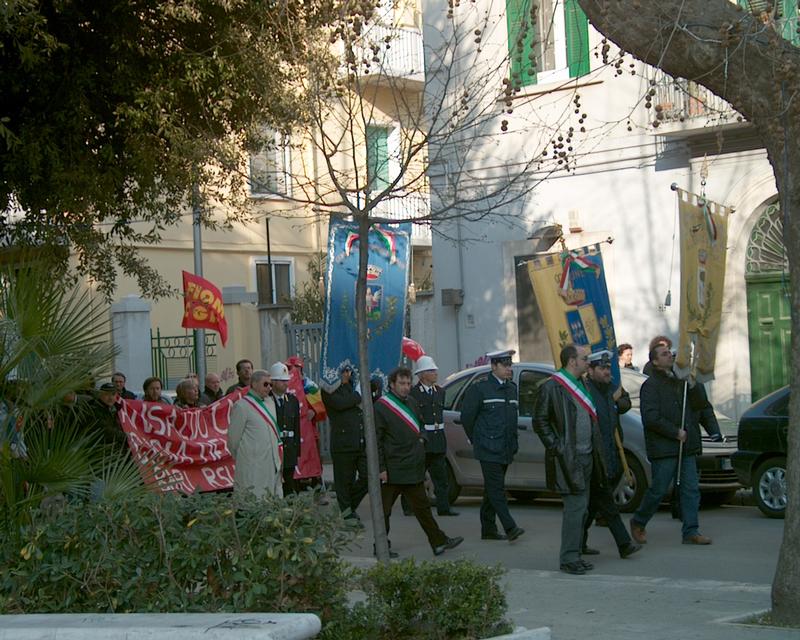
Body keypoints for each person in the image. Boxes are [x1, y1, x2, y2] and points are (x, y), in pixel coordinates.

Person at [629, 343, 721, 546]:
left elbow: (701, 406)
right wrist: (674, 432)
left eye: (670, 353)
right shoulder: (651, 386)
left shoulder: (683, 381)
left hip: (686, 446)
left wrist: (693, 381)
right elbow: (651, 418)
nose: (669, 356)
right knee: (659, 489)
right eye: (664, 354)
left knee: (690, 489)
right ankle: (639, 520)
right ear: (655, 361)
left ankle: (691, 530)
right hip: (664, 447)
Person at [375, 366, 464, 557]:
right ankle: (381, 546)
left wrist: (422, 439)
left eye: (408, 383)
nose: (406, 387)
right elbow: (377, 441)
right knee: (384, 511)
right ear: (392, 385)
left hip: (412, 467)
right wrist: (381, 468)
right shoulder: (382, 407)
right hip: (392, 469)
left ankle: (438, 542)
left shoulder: (413, 402)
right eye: (401, 384)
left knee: (423, 509)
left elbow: (422, 425)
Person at [533, 344, 601, 575]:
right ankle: (569, 558)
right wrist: (557, 446)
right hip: (569, 457)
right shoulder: (553, 387)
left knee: (582, 509)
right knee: (575, 508)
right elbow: (540, 421)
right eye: (585, 359)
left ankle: (575, 553)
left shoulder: (583, 383)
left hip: (586, 455)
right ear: (572, 361)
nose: (588, 362)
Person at [460, 349, 525, 542]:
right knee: (497, 489)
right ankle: (510, 527)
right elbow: (467, 417)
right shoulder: (480, 389)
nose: (509, 369)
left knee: (491, 489)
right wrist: (477, 438)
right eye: (505, 365)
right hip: (488, 448)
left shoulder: (511, 388)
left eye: (510, 365)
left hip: (505, 447)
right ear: (494, 366)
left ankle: (488, 529)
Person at [582, 351, 641, 559]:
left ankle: (578, 541)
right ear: (590, 370)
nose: (607, 372)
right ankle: (624, 544)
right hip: (594, 457)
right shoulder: (585, 391)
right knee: (607, 503)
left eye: (608, 368)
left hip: (609, 454)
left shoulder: (609, 389)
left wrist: (618, 401)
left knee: (591, 506)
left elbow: (623, 405)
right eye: (602, 368)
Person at [408, 355, 458, 516]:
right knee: (415, 476)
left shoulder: (440, 392)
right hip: (423, 440)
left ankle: (444, 507)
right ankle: (409, 506)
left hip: (438, 439)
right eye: (431, 371)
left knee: (441, 476)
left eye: (435, 370)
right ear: (422, 375)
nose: (435, 373)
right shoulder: (414, 394)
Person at [322, 364, 367, 524]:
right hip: (343, 443)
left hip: (360, 441)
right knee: (344, 481)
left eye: (349, 371)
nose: (348, 374)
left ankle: (347, 507)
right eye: (344, 371)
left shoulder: (353, 387)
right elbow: (341, 404)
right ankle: (347, 514)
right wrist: (358, 394)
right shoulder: (328, 389)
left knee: (367, 476)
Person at [228, 369, 282, 498]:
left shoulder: (270, 403)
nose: (269, 387)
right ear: (253, 384)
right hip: (252, 464)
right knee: (253, 499)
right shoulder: (242, 406)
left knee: (272, 499)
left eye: (270, 384)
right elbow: (233, 440)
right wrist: (245, 457)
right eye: (265, 384)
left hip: (271, 462)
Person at [270, 362, 302, 495]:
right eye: (281, 381)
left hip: (289, 449)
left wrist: (297, 451)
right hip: (273, 450)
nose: (285, 384)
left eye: (286, 381)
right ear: (273, 382)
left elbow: (296, 426)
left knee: (289, 483)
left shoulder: (292, 400)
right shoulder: (267, 400)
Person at [88, 382, 128, 449]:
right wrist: (127, 437)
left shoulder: (119, 409)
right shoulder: (93, 409)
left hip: (118, 449)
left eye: (113, 394)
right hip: (102, 450)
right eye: (107, 394)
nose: (110, 398)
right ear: (100, 395)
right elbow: (106, 431)